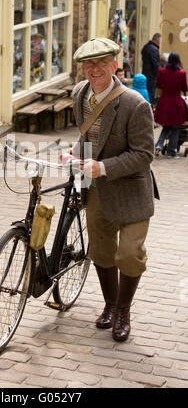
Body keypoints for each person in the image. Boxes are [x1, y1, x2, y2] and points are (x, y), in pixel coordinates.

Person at [71, 37, 158, 342]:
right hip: (98, 191)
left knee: (129, 254)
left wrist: (103, 167)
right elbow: (87, 137)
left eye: (101, 63)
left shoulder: (135, 104)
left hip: (132, 191)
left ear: (114, 66)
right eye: (88, 64)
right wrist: (75, 156)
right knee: (102, 251)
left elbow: (145, 153)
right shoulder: (79, 94)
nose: (94, 69)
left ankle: (123, 310)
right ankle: (109, 305)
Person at [154, 52, 188, 158]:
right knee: (175, 128)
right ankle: (171, 152)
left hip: (164, 101)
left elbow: (158, 85)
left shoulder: (161, 71)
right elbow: (184, 89)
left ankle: (159, 145)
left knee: (166, 126)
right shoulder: (181, 73)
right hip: (176, 103)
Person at [141, 33, 161, 107]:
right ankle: (149, 109)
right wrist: (160, 73)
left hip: (145, 73)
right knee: (150, 94)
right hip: (152, 75)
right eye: (160, 40)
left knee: (146, 93)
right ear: (157, 39)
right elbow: (155, 64)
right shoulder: (154, 49)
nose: (160, 42)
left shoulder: (146, 46)